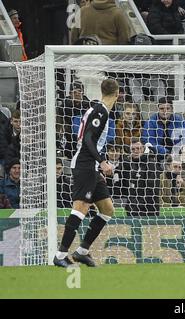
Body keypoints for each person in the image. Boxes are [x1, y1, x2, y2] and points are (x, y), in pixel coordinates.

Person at [53, 78, 119, 268]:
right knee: (81, 207)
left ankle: (82, 252)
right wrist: (102, 161)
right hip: (85, 164)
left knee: (107, 210)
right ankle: (60, 255)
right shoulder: (100, 111)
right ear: (118, 94)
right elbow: (89, 138)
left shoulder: (97, 110)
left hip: (91, 166)